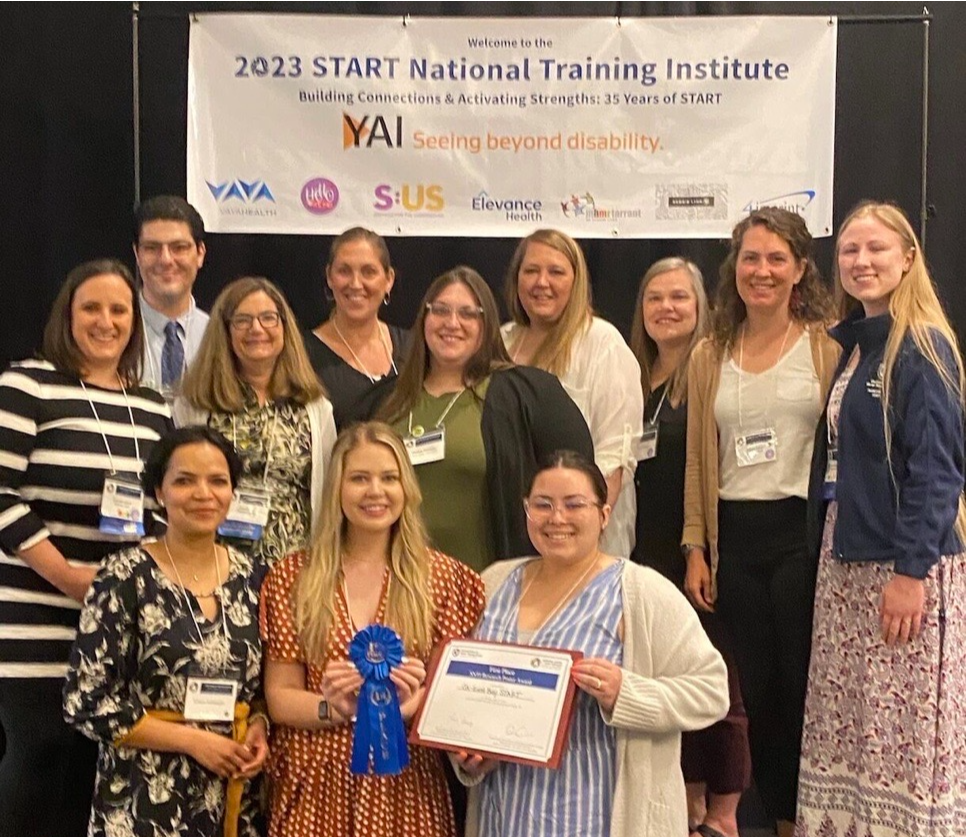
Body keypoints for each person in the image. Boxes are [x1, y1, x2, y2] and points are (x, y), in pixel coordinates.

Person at [796, 201, 966, 837]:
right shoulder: (856, 347)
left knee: (901, 735)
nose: (861, 262)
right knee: (852, 728)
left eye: (876, 249)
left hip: (900, 569)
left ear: (908, 258)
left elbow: (939, 472)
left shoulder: (922, 346)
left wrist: (911, 571)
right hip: (847, 561)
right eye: (849, 251)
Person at [455, 450, 730, 837]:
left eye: (574, 505)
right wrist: (469, 754)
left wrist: (626, 693)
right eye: (543, 505)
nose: (557, 518)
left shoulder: (640, 593)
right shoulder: (492, 584)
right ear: (526, 510)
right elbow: (468, 693)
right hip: (505, 815)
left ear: (604, 514)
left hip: (597, 818)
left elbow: (712, 691)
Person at [680, 207, 840, 837]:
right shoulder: (709, 353)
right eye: (751, 258)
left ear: (801, 268)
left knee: (806, 693)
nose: (763, 271)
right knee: (756, 700)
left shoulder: (828, 346)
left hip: (805, 540)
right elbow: (698, 459)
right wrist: (695, 546)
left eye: (777, 258)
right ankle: (771, 821)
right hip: (734, 543)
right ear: (735, 267)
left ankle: (803, 820)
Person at [0, 259, 173, 835]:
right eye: (91, 308)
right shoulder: (29, 383)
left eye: (119, 310)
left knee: (97, 773)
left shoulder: (152, 408)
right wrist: (70, 577)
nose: (106, 321)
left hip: (120, 624)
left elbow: (159, 509)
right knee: (37, 767)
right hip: (36, 620)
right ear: (67, 316)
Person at [259, 421, 485, 836]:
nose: (375, 491)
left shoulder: (444, 579)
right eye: (359, 478)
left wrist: (409, 706)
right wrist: (334, 709)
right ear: (336, 489)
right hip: (316, 786)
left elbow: (451, 696)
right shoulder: (293, 577)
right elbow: (280, 696)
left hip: (407, 785)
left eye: (388, 478)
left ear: (407, 489)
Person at [64, 426, 268, 837]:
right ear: (159, 492)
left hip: (232, 788)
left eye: (218, 481)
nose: (203, 493)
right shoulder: (123, 575)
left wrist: (260, 725)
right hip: (144, 794)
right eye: (184, 480)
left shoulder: (256, 576)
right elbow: (84, 702)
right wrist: (193, 742)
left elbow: (263, 685)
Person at [629, 258, 752, 837]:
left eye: (679, 297)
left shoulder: (711, 370)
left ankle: (725, 816)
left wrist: (697, 548)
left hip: (693, 554)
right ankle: (691, 804)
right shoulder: (635, 379)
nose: (666, 308)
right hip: (642, 554)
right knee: (669, 683)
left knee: (718, 681)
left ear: (702, 305)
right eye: (655, 298)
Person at [378, 266, 595, 573]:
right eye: (440, 310)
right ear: (424, 318)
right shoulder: (383, 402)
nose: (452, 323)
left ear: (487, 324)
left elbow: (578, 478)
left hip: (490, 589)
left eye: (468, 313)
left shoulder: (530, 395)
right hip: (398, 587)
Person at [174, 276, 337, 583]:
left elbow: (328, 494)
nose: (257, 329)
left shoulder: (315, 408)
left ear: (285, 327)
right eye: (243, 320)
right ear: (225, 331)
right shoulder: (196, 405)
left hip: (295, 572)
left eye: (268, 319)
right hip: (213, 569)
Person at [502, 229, 644, 557]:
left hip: (581, 538)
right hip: (514, 532)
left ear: (576, 281)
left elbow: (615, 455)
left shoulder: (602, 343)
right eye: (531, 271)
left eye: (556, 272)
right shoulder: (501, 343)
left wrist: (577, 532)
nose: (542, 282)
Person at [304, 227, 411, 429]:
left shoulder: (413, 346)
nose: (355, 284)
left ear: (389, 279)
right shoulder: (302, 355)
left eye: (368, 272)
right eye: (344, 271)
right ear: (329, 276)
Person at [133, 195, 210, 397]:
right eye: (152, 248)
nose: (166, 260)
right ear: (137, 254)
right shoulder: (112, 334)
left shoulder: (220, 336)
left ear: (200, 253)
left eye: (179, 248)